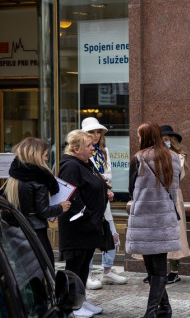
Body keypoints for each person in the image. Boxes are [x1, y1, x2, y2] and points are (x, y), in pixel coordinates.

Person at [126, 123, 181, 318]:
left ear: (146, 137)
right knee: (157, 267)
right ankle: (165, 309)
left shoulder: (139, 157)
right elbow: (175, 189)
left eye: (140, 136)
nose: (138, 139)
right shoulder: (174, 157)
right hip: (164, 217)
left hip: (144, 217)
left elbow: (131, 188)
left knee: (152, 267)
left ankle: (151, 313)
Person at [58, 130, 110, 318]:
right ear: (75, 148)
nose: (92, 148)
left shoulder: (86, 162)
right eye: (88, 146)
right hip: (78, 226)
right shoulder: (70, 166)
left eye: (92, 145)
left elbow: (95, 184)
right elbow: (71, 195)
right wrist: (86, 215)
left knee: (84, 264)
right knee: (75, 266)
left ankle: (81, 299)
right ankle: (71, 305)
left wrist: (105, 191)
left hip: (90, 225)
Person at [3, 137, 70, 267]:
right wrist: (60, 207)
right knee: (45, 266)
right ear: (37, 155)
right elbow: (43, 211)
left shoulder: (14, 177)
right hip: (36, 231)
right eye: (45, 155)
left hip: (16, 229)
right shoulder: (40, 179)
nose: (46, 159)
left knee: (23, 267)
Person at [80, 117, 127, 289]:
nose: (96, 135)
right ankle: (88, 273)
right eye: (92, 132)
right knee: (91, 238)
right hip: (90, 201)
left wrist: (103, 183)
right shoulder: (82, 152)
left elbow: (108, 175)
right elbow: (90, 177)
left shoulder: (103, 150)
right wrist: (101, 181)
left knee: (112, 236)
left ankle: (107, 271)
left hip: (103, 198)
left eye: (98, 131)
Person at [161, 125, 190, 284]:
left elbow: (174, 174)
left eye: (166, 140)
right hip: (158, 195)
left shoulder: (178, 156)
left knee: (175, 231)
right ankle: (157, 270)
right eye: (161, 140)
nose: (164, 143)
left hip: (173, 195)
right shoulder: (153, 155)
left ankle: (174, 271)